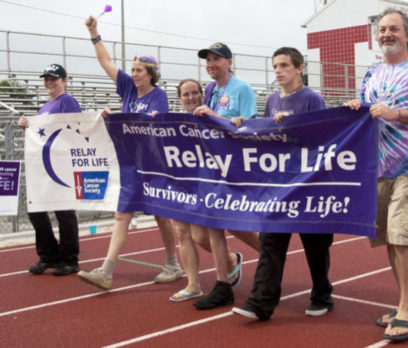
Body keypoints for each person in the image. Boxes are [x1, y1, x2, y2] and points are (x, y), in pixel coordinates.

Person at [343, 8, 408, 342]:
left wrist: (397, 113)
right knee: (389, 237)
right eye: (381, 29)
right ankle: (403, 303)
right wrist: (354, 107)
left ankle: (407, 308)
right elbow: (367, 112)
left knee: (403, 235)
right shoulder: (371, 75)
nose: (386, 34)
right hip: (378, 168)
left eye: (393, 29)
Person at [77, 16, 182, 290]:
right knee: (122, 215)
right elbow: (105, 62)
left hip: (152, 163)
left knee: (161, 214)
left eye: (139, 71)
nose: (134, 74)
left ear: (151, 74)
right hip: (129, 163)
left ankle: (173, 264)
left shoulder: (158, 97)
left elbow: (153, 127)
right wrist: (94, 32)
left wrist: (124, 119)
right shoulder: (126, 87)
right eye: (133, 69)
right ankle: (106, 271)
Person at [231, 47, 333, 321]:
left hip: (309, 183)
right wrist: (247, 125)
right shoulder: (272, 100)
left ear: (299, 68)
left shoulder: (312, 98)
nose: (278, 70)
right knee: (271, 242)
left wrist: (294, 126)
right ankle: (260, 302)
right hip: (279, 184)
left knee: (315, 245)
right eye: (275, 65)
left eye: (284, 65)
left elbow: (321, 138)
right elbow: (267, 136)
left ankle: (322, 294)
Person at [170, 79, 259, 302]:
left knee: (203, 235)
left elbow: (243, 129)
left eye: (194, 93)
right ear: (179, 98)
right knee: (182, 232)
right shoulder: (176, 121)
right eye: (185, 94)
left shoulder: (209, 115)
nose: (190, 98)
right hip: (186, 182)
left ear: (203, 95)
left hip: (214, 179)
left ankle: (249, 257)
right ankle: (193, 285)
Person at [191, 43, 259, 309]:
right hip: (214, 166)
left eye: (216, 59)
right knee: (214, 224)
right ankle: (222, 285)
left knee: (235, 224)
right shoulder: (211, 90)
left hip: (236, 167)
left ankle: (270, 256)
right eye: (208, 60)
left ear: (229, 61)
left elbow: (250, 126)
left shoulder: (241, 88)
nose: (211, 64)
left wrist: (213, 116)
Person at [18, 63, 80, 276]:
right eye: (46, 79)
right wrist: (27, 125)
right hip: (42, 166)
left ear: (64, 81)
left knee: (64, 211)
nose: (49, 82)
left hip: (61, 165)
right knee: (35, 210)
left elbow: (75, 129)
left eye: (53, 78)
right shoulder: (44, 106)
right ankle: (49, 255)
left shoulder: (68, 101)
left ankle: (69, 258)